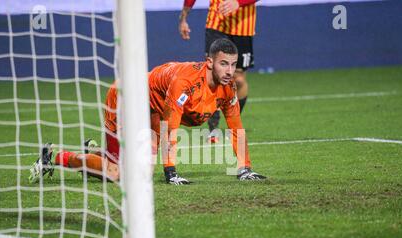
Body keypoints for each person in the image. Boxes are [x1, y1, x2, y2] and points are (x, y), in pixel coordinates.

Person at [29, 38, 265, 185]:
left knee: (142, 173)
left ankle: (96, 153)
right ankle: (55, 157)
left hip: (153, 105)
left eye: (233, 65)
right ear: (210, 62)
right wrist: (171, 173)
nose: (229, 70)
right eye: (224, 63)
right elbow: (170, 127)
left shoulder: (228, 87)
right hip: (126, 96)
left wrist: (245, 168)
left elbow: (236, 126)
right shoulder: (185, 84)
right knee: (117, 174)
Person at [178, 0, 258, 143]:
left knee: (238, 79)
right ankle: (213, 129)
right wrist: (183, 17)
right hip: (216, 24)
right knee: (213, 75)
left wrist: (239, 3)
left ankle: (233, 125)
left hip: (243, 25)